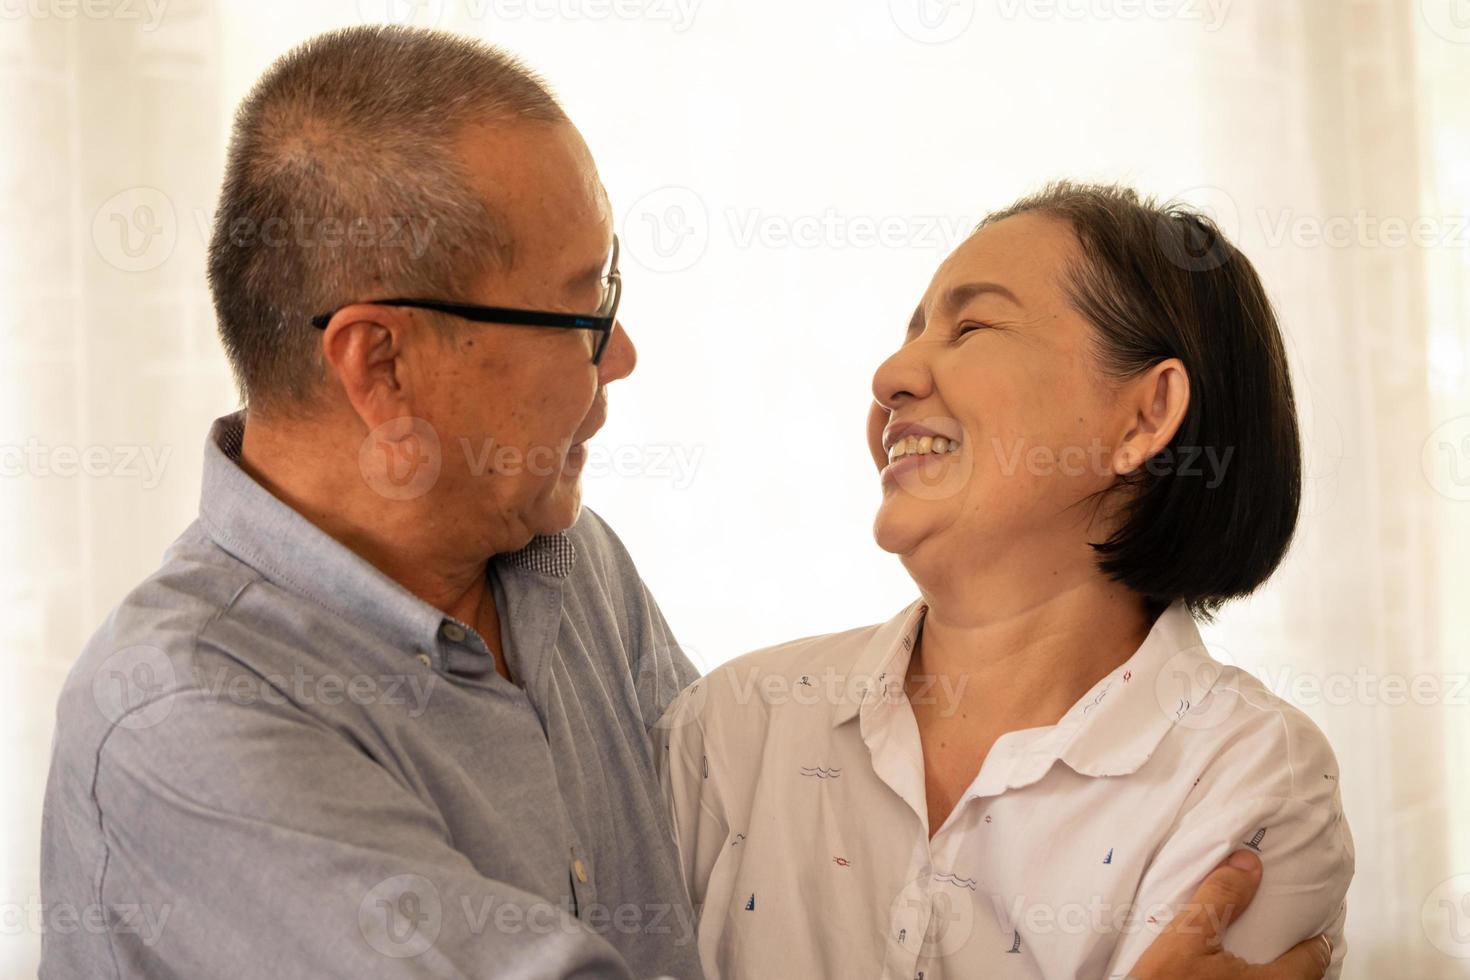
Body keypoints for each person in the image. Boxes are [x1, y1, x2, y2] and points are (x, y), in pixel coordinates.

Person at [39, 25, 1333, 980]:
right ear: (382, 365)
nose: (621, 355)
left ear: (1144, 417)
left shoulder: (568, 577)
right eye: (579, 310)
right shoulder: (189, 721)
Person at [659, 183, 1354, 979]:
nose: (890, 375)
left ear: (1146, 415)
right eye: (911, 333)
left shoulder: (1252, 779)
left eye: (972, 326)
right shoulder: (730, 729)